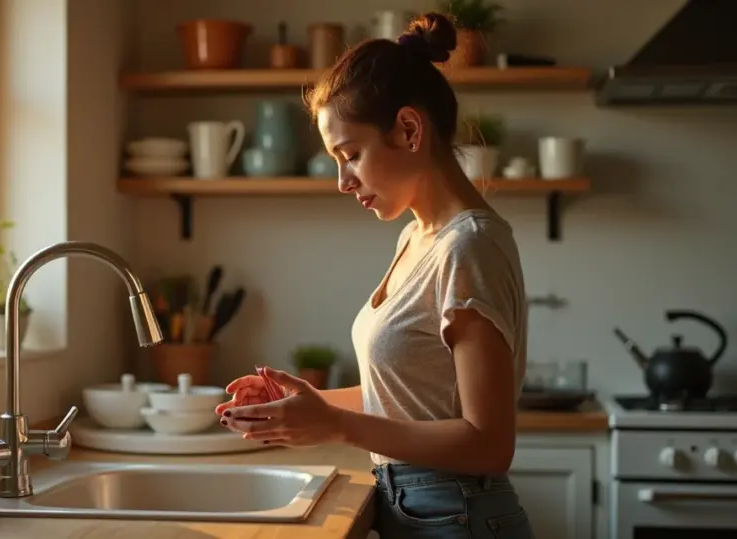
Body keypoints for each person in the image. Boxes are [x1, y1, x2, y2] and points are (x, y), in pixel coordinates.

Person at [214, 11, 535, 539]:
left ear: (409, 129)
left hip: (458, 514)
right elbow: (408, 398)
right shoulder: (418, 237)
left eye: (351, 155)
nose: (342, 181)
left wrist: (335, 426)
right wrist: (302, 407)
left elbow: (490, 443)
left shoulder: (469, 245)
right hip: (421, 506)